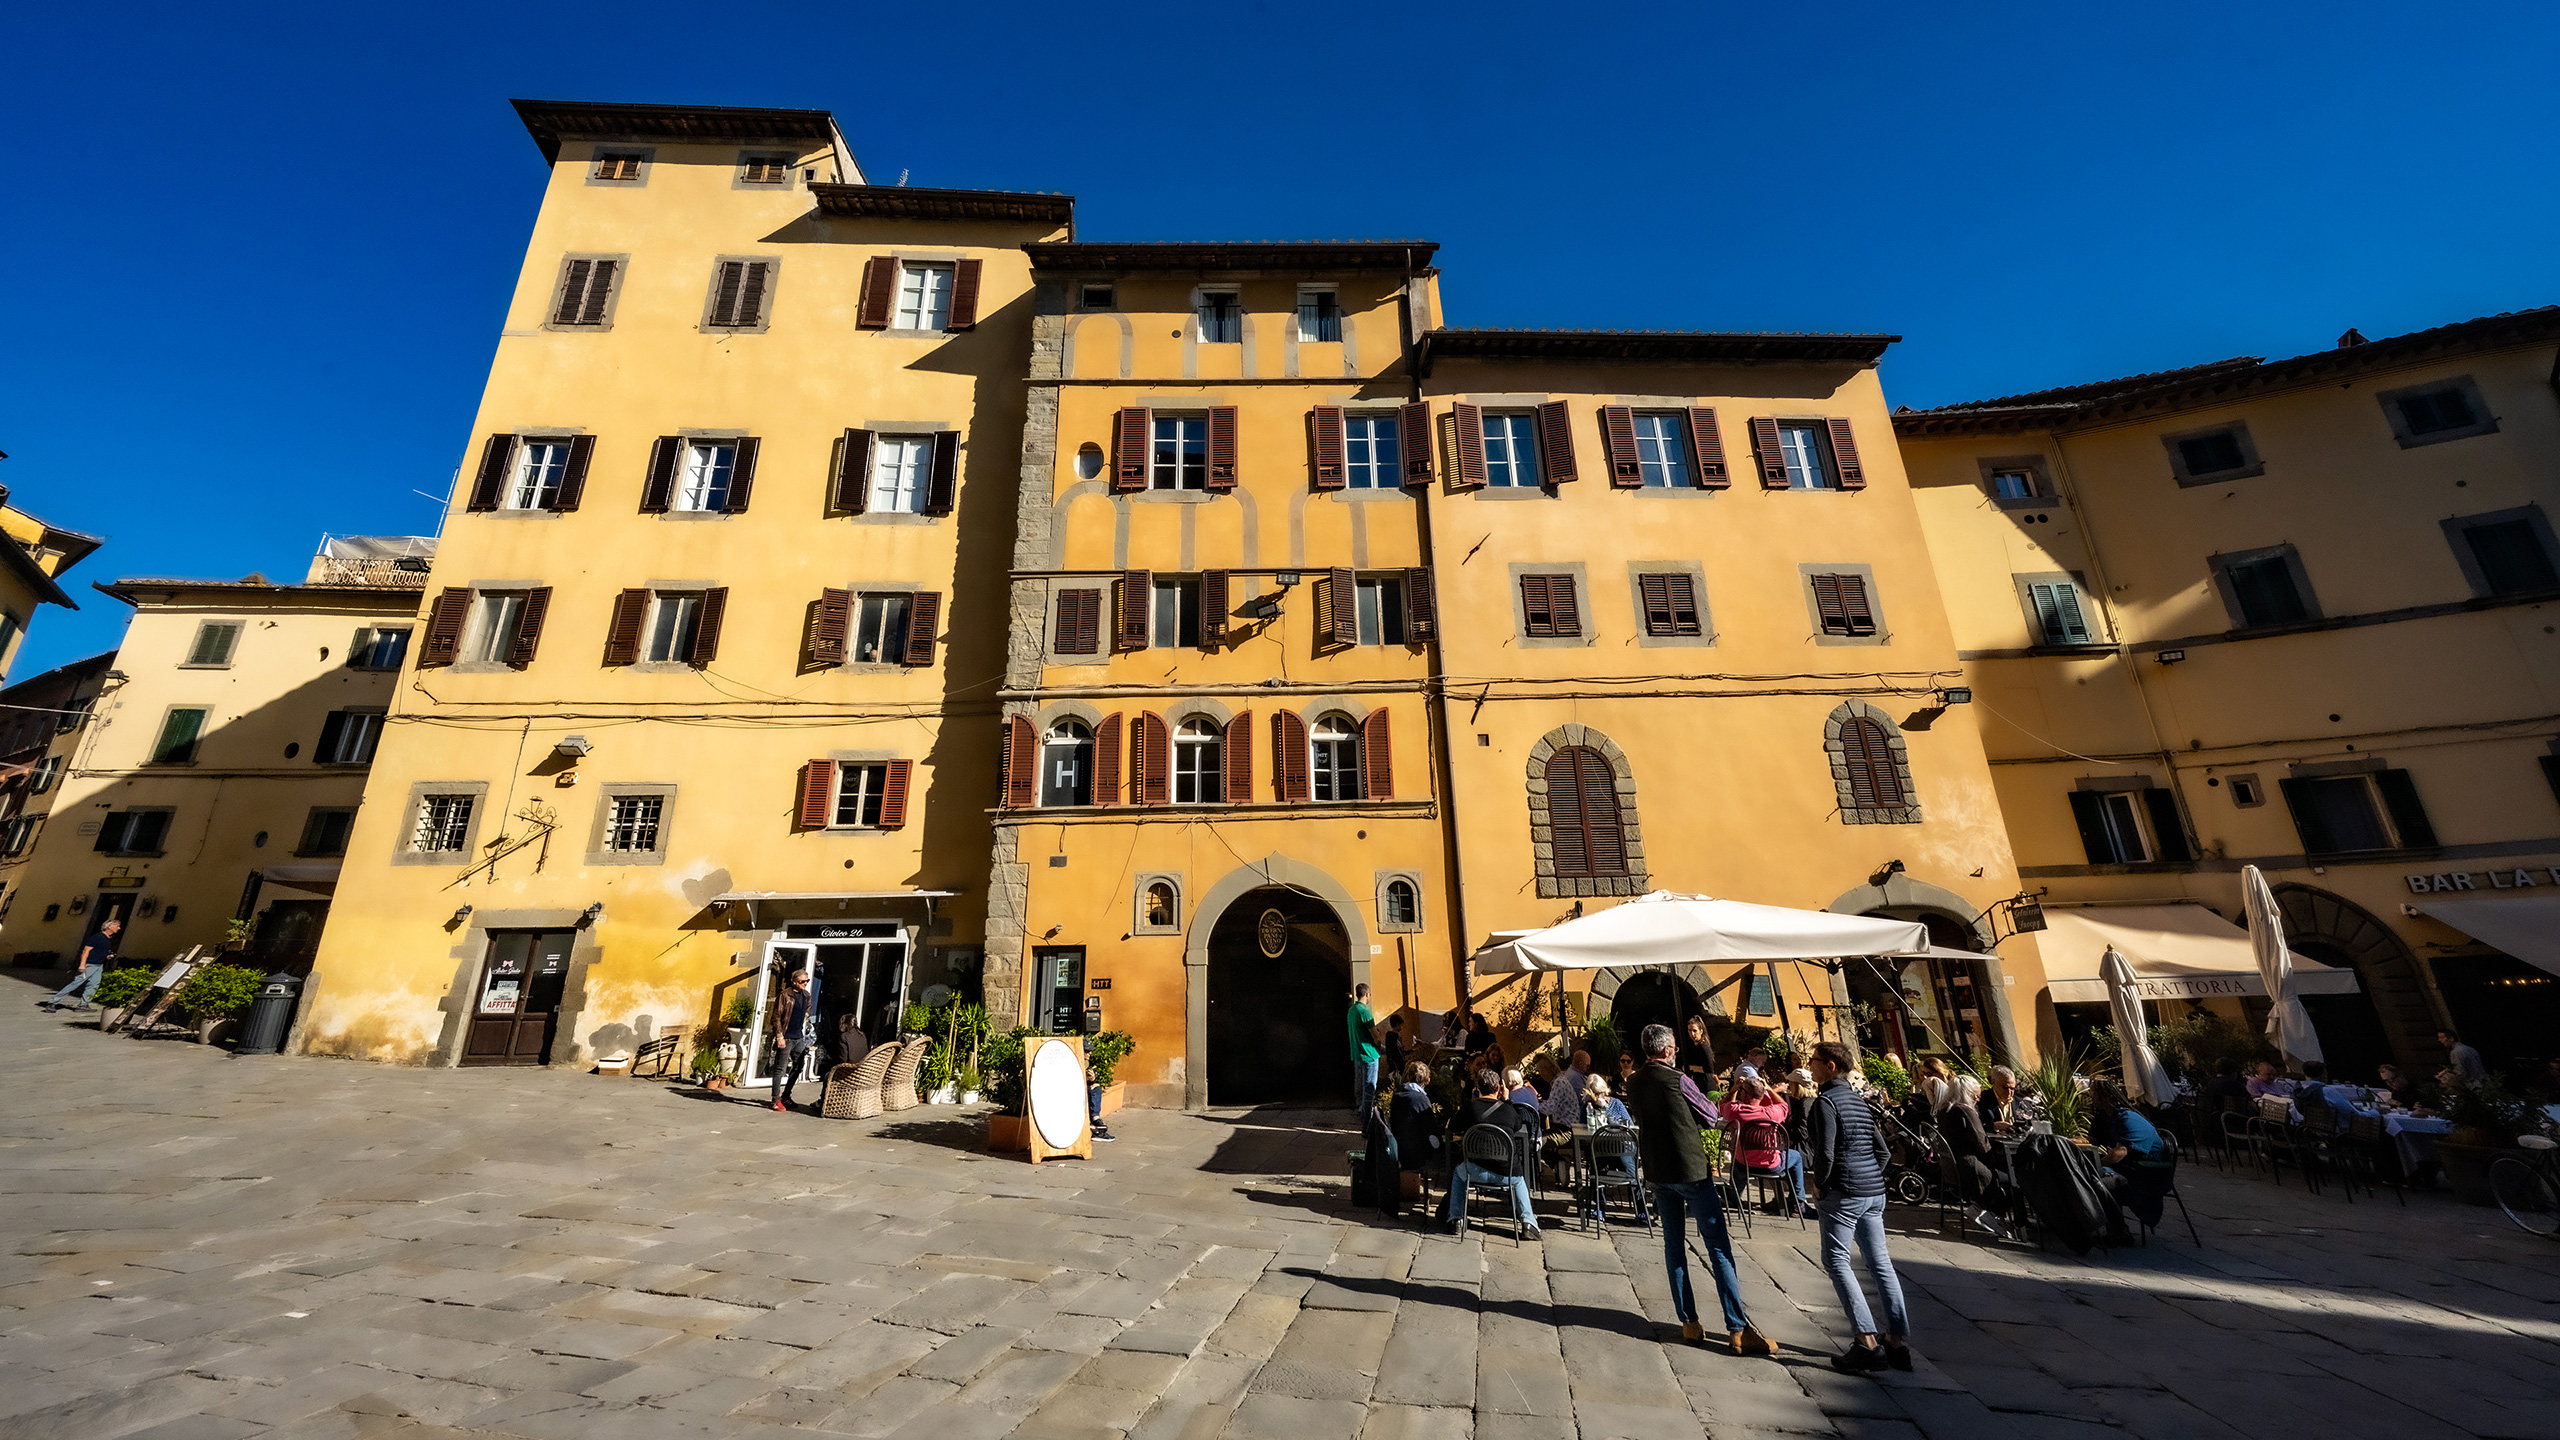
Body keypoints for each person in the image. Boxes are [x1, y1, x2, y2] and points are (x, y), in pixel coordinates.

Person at [1625, 1023, 1765, 1351]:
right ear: (1667, 1050)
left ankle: (1689, 1323)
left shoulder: (1633, 1082)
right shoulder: (1679, 1080)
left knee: (1673, 1246)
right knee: (1718, 1248)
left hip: (1659, 1171)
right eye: (1673, 1046)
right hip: (1690, 1170)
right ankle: (1737, 1328)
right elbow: (1708, 1112)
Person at [1805, 1040, 1910, 1374]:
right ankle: (1896, 1341)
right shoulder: (1859, 1101)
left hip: (1843, 1193)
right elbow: (1882, 1152)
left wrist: (1820, 1183)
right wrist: (1868, 1178)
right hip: (1873, 1193)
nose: (1811, 1066)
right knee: (1880, 1264)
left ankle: (1866, 1341)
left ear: (1831, 1066)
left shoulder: (1825, 1102)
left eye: (1814, 1061)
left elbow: (1826, 1152)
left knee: (1837, 1262)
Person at [1441, 1067, 1540, 1239]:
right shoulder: (1509, 1111)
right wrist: (1507, 1100)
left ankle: (1456, 1218)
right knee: (1520, 1180)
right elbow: (1517, 1126)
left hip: (1474, 1171)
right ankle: (1528, 1222)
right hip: (1506, 1173)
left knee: (1458, 1173)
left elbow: (1454, 1126)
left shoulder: (1470, 1108)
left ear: (1478, 1088)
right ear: (1500, 1087)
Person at [2085, 1077, 2170, 1229]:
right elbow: (2091, 1142)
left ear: (2108, 1096)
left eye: (2095, 1095)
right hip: (2127, 1168)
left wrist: (2095, 1165)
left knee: (2094, 1183)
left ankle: (2118, 1230)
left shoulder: (2128, 1119)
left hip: (2147, 1173)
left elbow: (2119, 1153)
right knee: (2083, 1177)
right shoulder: (2106, 1117)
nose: (2092, 1099)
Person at [1723, 1075, 1808, 1217]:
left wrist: (1733, 1091)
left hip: (1745, 1164)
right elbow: (1783, 1106)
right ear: (1762, 1095)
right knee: (1797, 1157)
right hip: (1772, 1165)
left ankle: (1733, 1196)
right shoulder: (1772, 1113)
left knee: (1738, 1159)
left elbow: (1723, 1106)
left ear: (1743, 1094)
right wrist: (1769, 1089)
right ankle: (1797, 1202)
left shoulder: (1737, 1112)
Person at [1937, 1076, 2008, 1237]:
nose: (1978, 1098)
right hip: (1972, 1167)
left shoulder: (1945, 1109)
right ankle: (1996, 1214)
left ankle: (1984, 1208)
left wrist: (1990, 1127)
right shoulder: (1966, 1110)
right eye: (1976, 1095)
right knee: (2011, 1177)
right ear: (1967, 1093)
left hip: (1951, 1167)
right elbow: (1982, 1145)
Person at [40, 919, 124, 1012]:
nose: (119, 928)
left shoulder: (107, 939)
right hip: (90, 964)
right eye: (117, 926)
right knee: (75, 983)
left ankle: (83, 1005)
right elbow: (86, 950)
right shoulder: (97, 937)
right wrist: (82, 964)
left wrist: (108, 956)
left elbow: (99, 951)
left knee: (93, 985)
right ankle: (53, 1002)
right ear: (109, 926)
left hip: (98, 965)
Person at [1390, 1061, 1442, 1200]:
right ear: (1428, 1080)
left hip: (1399, 1148)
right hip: (1416, 1153)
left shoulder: (1397, 1096)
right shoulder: (1421, 1100)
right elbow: (1432, 1134)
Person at [770, 969, 818, 1113]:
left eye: (807, 981)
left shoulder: (806, 995)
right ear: (794, 981)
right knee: (780, 1067)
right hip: (786, 1036)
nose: (805, 984)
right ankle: (775, 1099)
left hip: (798, 1036)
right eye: (802, 981)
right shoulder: (785, 995)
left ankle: (786, 1095)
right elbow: (776, 1016)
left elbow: (808, 1009)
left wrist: (804, 1019)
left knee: (799, 1065)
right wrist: (779, 1036)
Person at [1348, 983, 1381, 1118]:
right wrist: (1379, 1043)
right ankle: (1367, 1122)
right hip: (1369, 1055)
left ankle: (1360, 1110)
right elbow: (1376, 1036)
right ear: (1367, 994)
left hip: (1357, 1054)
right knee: (1369, 1089)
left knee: (1360, 1087)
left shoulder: (1351, 1011)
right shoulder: (1365, 1012)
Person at [1544, 1050, 1593, 1130]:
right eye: (1587, 1066)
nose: (1588, 1068)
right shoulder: (1574, 1078)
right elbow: (1583, 1100)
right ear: (1580, 1064)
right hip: (1574, 1124)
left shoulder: (1572, 1073)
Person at [1677, 1014, 1717, 1083]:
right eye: (1689, 1030)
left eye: (1695, 1031)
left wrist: (1691, 1067)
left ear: (1701, 1031)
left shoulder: (1704, 1047)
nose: (1692, 1034)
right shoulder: (1694, 1046)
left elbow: (1709, 1069)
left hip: (1706, 1083)